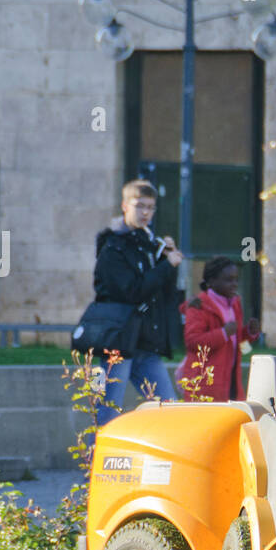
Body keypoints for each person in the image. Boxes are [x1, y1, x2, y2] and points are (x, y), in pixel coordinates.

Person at [92, 180, 184, 427]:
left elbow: (162, 293)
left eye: (151, 207)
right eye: (139, 206)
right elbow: (131, 291)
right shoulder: (112, 246)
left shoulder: (148, 243)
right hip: (116, 344)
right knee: (106, 412)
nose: (145, 213)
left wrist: (166, 260)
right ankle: (93, 454)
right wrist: (165, 266)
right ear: (125, 206)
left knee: (169, 410)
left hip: (145, 343)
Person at [175, 256, 260, 402]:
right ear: (211, 281)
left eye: (236, 279)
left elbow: (237, 344)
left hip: (231, 384)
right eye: (228, 280)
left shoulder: (235, 304)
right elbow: (192, 342)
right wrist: (223, 333)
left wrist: (249, 333)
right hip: (204, 387)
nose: (234, 284)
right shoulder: (199, 306)